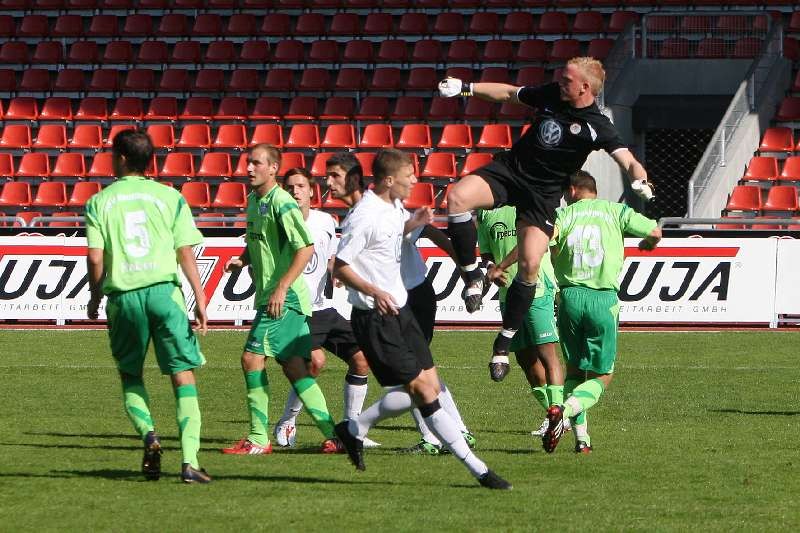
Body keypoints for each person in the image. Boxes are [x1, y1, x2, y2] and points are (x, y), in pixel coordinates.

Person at [437, 56, 654, 377]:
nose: (560, 82)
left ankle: (502, 344)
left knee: (530, 267)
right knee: (457, 198)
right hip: (511, 173)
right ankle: (472, 277)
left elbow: (629, 160)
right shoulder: (552, 94)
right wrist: (465, 88)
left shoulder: (597, 125)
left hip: (543, 196)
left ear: (585, 87)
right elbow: (509, 93)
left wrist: (640, 180)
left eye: (567, 80)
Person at [332, 148, 511, 490]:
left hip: (401, 311)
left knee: (428, 386)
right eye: (409, 175)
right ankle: (479, 470)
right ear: (389, 180)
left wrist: (413, 224)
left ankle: (354, 428)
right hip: (376, 317)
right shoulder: (363, 216)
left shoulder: (392, 207)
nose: (415, 179)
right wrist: (374, 290)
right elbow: (340, 265)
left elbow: (390, 235)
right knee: (424, 392)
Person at [325, 152, 475, 456]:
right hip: (395, 300)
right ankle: (455, 432)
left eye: (335, 176)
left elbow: (428, 230)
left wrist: (463, 264)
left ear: (354, 179)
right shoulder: (371, 211)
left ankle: (432, 436)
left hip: (410, 295)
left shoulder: (378, 210)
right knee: (419, 375)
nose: (328, 183)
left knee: (413, 376)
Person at [85, 129, 211, 483]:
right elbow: (184, 250)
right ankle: (190, 462)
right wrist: (200, 296)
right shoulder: (170, 197)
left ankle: (150, 435)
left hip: (124, 297)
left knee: (131, 375)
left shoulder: (99, 201)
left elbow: (95, 257)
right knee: (182, 374)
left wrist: (95, 295)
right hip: (164, 294)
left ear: (122, 158)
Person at [221, 144, 340, 455]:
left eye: (256, 163)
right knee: (295, 368)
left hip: (284, 299)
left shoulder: (282, 202)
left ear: (273, 168)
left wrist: (282, 287)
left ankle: (258, 438)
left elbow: (305, 247)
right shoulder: (254, 200)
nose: (249, 168)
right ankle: (335, 436)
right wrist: (242, 259)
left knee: (251, 359)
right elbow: (259, 241)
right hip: (277, 297)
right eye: (248, 163)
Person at [544, 170, 661, 454]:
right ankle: (565, 411)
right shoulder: (616, 210)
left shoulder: (564, 215)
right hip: (602, 299)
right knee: (603, 374)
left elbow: (546, 241)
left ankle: (582, 440)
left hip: (569, 297)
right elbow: (655, 232)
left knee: (574, 371)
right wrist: (647, 243)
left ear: (573, 190)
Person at [273, 167, 379, 449]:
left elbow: (330, 258)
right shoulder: (278, 222)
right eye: (290, 187)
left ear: (312, 191)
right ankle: (288, 421)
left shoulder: (326, 221)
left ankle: (352, 429)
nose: (295, 191)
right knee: (314, 363)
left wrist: (338, 273)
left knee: (361, 360)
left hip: (324, 308)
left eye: (300, 186)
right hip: (296, 309)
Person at [477, 205, 565, 437]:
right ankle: (554, 416)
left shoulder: (531, 204)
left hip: (538, 289)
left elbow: (536, 245)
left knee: (547, 354)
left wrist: (501, 266)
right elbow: (486, 250)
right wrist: (491, 267)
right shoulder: (485, 212)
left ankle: (559, 412)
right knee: (526, 360)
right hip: (508, 294)